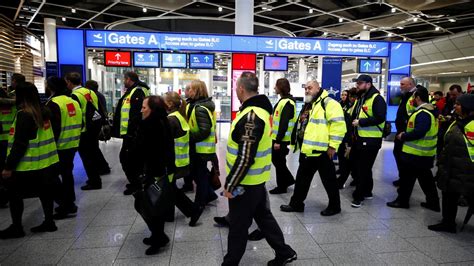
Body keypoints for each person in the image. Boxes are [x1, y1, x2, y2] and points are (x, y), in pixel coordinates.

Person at [222, 72, 296, 266]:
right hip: (256, 180)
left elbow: (246, 156)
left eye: (236, 88)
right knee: (263, 218)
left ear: (240, 89)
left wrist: (231, 183)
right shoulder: (260, 111)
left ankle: (229, 263)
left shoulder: (252, 116)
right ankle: (284, 252)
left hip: (246, 182)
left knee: (238, 226)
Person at [0, 82, 60, 239]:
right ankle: (49, 221)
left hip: (27, 166)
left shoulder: (24, 115)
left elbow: (20, 144)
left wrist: (8, 167)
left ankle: (17, 227)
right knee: (45, 194)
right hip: (47, 163)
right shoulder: (44, 112)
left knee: (15, 196)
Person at [280, 80, 346, 216]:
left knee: (329, 181)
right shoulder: (309, 105)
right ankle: (296, 204)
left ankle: (335, 206)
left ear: (318, 88)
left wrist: (333, 146)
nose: (307, 91)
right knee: (301, 180)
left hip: (322, 152)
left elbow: (339, 126)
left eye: (310, 88)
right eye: (305, 88)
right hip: (308, 150)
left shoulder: (329, 103)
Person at [387, 86, 440, 211]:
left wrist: (403, 135)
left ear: (418, 98)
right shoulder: (429, 111)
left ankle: (402, 201)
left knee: (407, 179)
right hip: (424, 153)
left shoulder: (423, 113)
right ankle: (433, 203)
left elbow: (420, 131)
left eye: (413, 98)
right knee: (426, 179)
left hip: (416, 153)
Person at [428, 94, 474, 233]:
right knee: (448, 196)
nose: (455, 106)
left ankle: (448, 222)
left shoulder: (471, 124)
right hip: (451, 167)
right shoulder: (457, 121)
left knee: (462, 196)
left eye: (459, 104)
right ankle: (448, 222)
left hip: (466, 170)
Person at [135, 96, 174, 255]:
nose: (141, 110)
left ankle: (159, 238)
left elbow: (146, 151)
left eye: (144, 107)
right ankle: (158, 235)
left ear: (152, 109)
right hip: (160, 170)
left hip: (155, 171)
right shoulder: (163, 121)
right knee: (151, 205)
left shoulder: (151, 125)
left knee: (151, 206)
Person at [45, 77, 83, 219]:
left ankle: (66, 204)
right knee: (67, 174)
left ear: (52, 87)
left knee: (53, 177)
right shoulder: (72, 101)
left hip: (59, 146)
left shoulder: (54, 103)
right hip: (72, 144)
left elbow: (53, 128)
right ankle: (69, 201)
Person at [163, 91, 203, 226]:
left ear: (169, 103)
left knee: (169, 187)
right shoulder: (180, 117)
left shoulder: (170, 120)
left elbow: (166, 143)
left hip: (173, 161)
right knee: (169, 187)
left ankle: (193, 210)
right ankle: (168, 214)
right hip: (181, 159)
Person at [350, 75, 387, 208]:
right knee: (362, 167)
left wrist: (361, 122)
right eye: (357, 83)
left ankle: (358, 197)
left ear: (368, 84)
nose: (357, 86)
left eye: (360, 83)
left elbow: (380, 117)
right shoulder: (363, 98)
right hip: (360, 138)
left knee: (362, 168)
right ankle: (367, 191)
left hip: (371, 140)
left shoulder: (377, 99)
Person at [112, 72, 149, 195]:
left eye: (125, 79)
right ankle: (136, 181)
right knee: (131, 159)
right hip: (130, 133)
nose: (123, 82)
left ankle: (136, 184)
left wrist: (133, 131)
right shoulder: (134, 91)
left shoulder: (137, 91)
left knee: (128, 159)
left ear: (129, 79)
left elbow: (137, 114)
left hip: (133, 134)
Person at [65, 72, 102, 190]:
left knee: (87, 158)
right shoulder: (90, 92)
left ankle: (94, 181)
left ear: (69, 82)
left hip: (84, 130)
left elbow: (76, 115)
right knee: (93, 155)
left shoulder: (74, 95)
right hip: (94, 128)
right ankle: (95, 178)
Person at [186, 80, 218, 209]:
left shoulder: (199, 108)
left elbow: (204, 131)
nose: (188, 91)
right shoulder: (194, 105)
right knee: (199, 174)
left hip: (200, 148)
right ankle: (209, 194)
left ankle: (200, 202)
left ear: (197, 91)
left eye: (191, 89)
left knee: (200, 176)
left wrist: (189, 138)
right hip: (198, 147)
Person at [269, 78, 297, 194]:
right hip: (278, 138)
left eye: (276, 86)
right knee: (278, 161)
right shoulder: (283, 101)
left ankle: (282, 186)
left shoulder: (288, 103)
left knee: (278, 161)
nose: (274, 88)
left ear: (281, 87)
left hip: (282, 140)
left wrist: (278, 141)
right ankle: (287, 180)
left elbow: (284, 124)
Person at [0, 73, 23, 208]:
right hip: (12, 138)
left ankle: (4, 195)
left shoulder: (15, 97)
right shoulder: (17, 100)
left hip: (5, 140)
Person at [392, 77, 417, 187]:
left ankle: (405, 180)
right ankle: (402, 177)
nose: (400, 86)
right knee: (397, 153)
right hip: (400, 131)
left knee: (402, 156)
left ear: (410, 84)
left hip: (407, 132)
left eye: (402, 84)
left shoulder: (415, 96)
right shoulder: (406, 95)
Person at [85, 80, 111, 175]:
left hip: (96, 123)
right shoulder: (99, 95)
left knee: (94, 148)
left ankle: (103, 167)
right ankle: (102, 166)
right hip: (99, 122)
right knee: (95, 147)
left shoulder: (94, 96)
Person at [336, 89, 353, 188]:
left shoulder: (350, 107)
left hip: (348, 135)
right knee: (341, 156)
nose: (343, 96)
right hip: (341, 134)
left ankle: (343, 177)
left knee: (345, 159)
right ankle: (342, 171)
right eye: (342, 95)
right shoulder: (339, 104)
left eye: (345, 95)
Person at [181, 84, 194, 192]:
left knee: (200, 173)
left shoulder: (195, 106)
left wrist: (192, 137)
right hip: (193, 142)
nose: (187, 91)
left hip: (196, 144)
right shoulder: (189, 103)